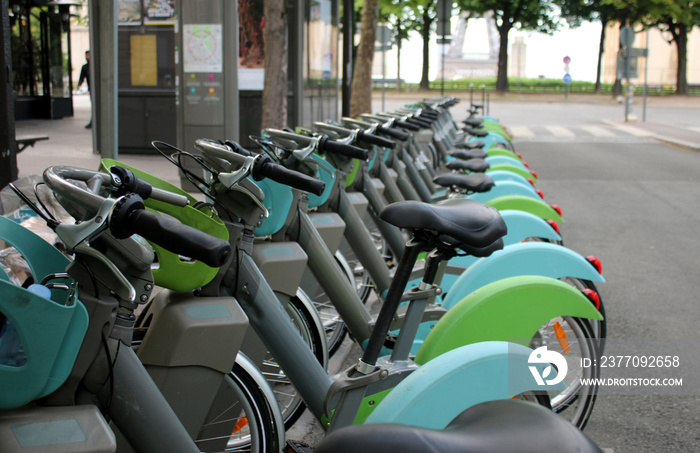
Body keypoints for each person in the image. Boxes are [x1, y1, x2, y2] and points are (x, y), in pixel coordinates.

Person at [77, 50, 91, 129]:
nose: (87, 57)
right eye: (86, 56)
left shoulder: (94, 66)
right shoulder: (85, 67)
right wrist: (79, 84)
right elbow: (82, 77)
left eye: (88, 55)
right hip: (91, 89)